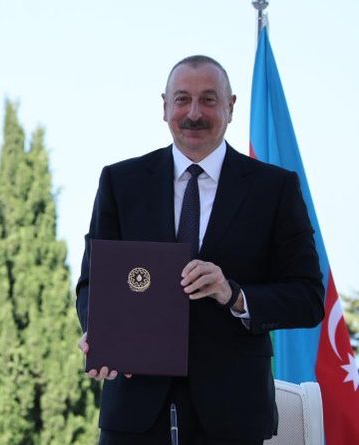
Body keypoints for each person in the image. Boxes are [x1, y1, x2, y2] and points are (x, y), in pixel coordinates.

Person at [76, 55, 324, 445]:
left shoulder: (274, 190)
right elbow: (93, 284)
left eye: (209, 100)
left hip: (234, 415)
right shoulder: (120, 183)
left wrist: (235, 294)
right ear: (164, 106)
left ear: (231, 107)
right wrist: (99, 334)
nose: (194, 113)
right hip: (134, 412)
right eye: (182, 99)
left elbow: (309, 298)